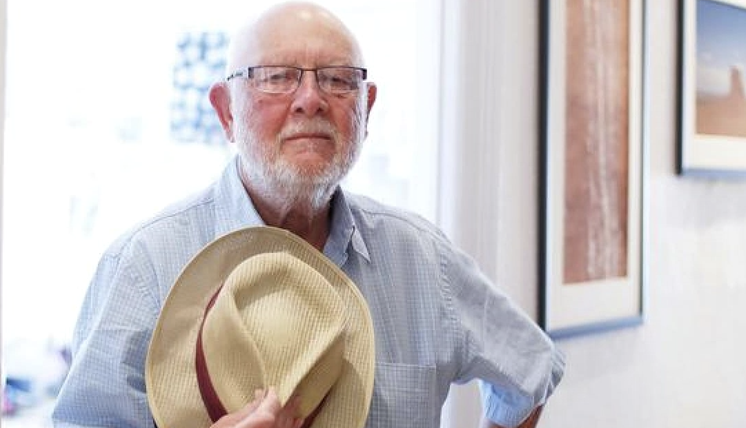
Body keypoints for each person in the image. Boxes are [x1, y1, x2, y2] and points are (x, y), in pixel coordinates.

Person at [52, 2, 565, 428]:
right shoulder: (145, 266)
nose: (310, 100)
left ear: (367, 109)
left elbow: (529, 370)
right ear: (226, 111)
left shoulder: (423, 262)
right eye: (276, 78)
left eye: (338, 80)